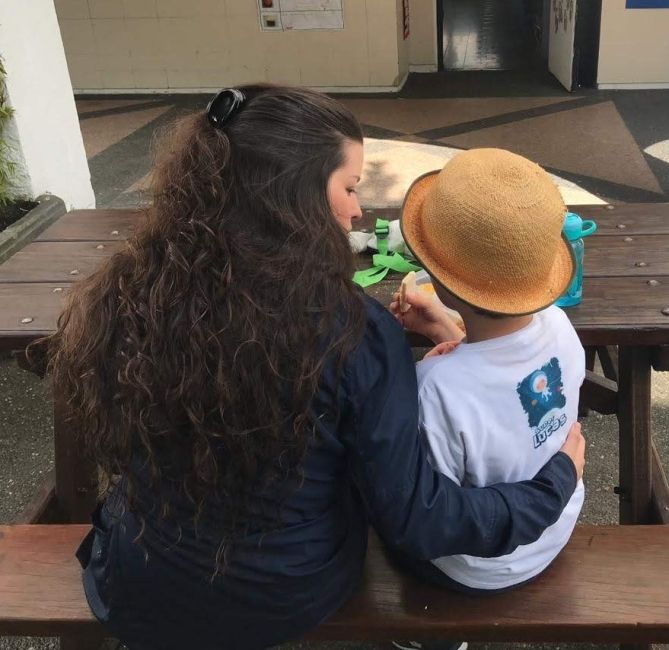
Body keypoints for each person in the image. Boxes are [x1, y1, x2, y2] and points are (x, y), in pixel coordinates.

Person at [43, 86, 584, 650]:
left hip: (136, 586)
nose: (356, 211)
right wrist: (551, 487)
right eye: (349, 188)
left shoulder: (126, 293)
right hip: (286, 597)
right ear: (291, 195)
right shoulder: (353, 332)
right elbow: (417, 518)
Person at [392, 148, 585, 593]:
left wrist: (434, 367)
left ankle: (431, 638)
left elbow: (431, 506)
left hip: (477, 567)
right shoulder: (559, 323)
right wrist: (447, 330)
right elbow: (506, 380)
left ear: (439, 281)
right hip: (555, 524)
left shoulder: (435, 385)